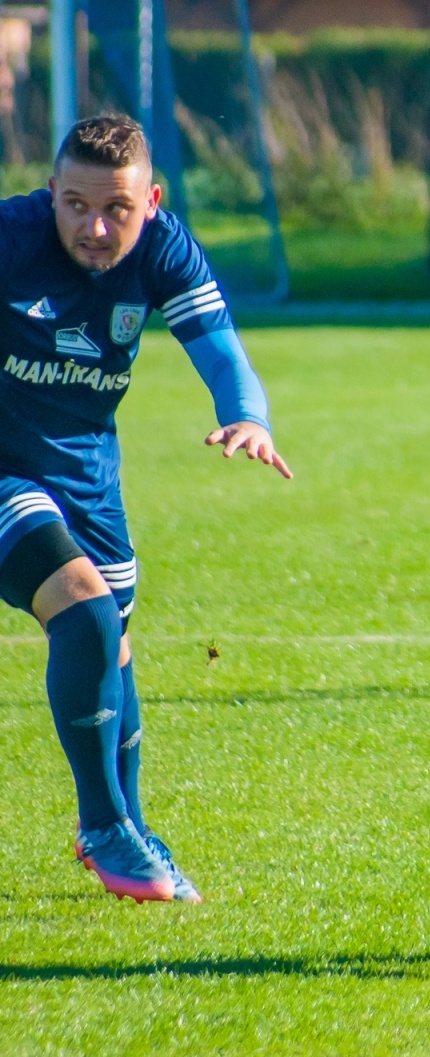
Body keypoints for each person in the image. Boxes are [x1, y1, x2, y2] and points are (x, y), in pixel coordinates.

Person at [0, 115, 291, 904]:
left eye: (116, 210)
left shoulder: (165, 250)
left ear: (151, 201)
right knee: (85, 610)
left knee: (114, 646)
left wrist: (248, 415)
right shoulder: (10, 237)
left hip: (86, 472)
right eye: (75, 206)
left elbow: (221, 345)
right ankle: (103, 827)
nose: (94, 227)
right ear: (50, 194)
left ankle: (126, 820)